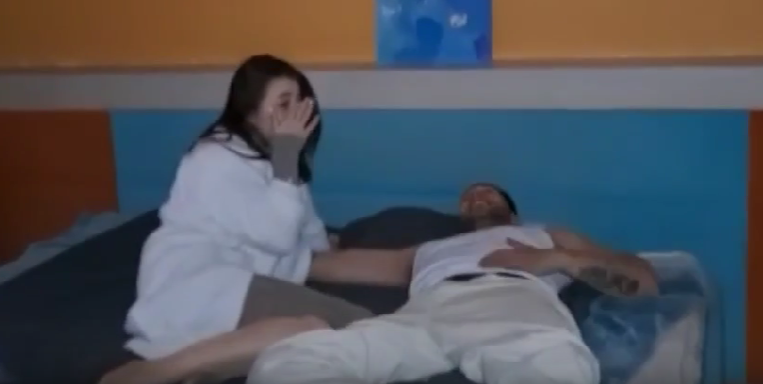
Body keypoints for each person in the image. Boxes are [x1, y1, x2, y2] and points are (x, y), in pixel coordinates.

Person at [99, 55, 419, 384]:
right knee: (344, 333)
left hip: (243, 275)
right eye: (283, 104)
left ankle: (209, 367)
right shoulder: (214, 159)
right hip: (198, 280)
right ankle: (164, 369)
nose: (294, 115)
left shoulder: (273, 159)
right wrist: (287, 155)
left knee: (350, 328)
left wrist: (336, 247)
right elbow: (277, 236)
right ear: (250, 110)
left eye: (299, 103)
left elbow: (307, 232)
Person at [246, 183, 659, 384]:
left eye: (488, 193)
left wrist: (557, 260)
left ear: (512, 212)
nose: (476, 197)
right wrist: (247, 255)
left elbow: (642, 280)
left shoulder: (547, 234)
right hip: (429, 310)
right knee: (290, 361)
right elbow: (327, 265)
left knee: (554, 369)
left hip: (513, 302)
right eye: (469, 197)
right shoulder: (430, 248)